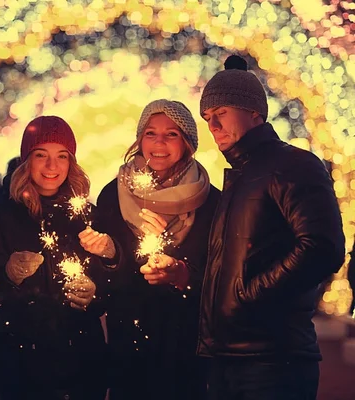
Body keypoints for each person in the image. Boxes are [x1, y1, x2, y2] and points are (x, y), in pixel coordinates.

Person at [198, 55, 345, 399]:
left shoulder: (292, 165)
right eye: (207, 118)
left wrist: (251, 294)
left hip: (273, 361)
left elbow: (322, 247)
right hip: (229, 357)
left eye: (221, 113)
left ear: (254, 113)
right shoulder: (240, 178)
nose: (213, 126)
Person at [92, 99, 220, 399]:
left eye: (171, 134)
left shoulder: (211, 201)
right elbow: (105, 278)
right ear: (140, 140)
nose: (159, 142)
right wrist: (111, 256)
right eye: (150, 133)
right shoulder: (113, 195)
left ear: (187, 142)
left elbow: (219, 273)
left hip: (186, 344)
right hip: (129, 342)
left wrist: (178, 270)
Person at [0, 116, 115, 400]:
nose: (52, 166)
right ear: (26, 160)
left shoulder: (87, 216)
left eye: (62, 156)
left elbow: (112, 285)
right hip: (23, 370)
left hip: (84, 367)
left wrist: (95, 292)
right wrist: (8, 275)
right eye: (40, 155)